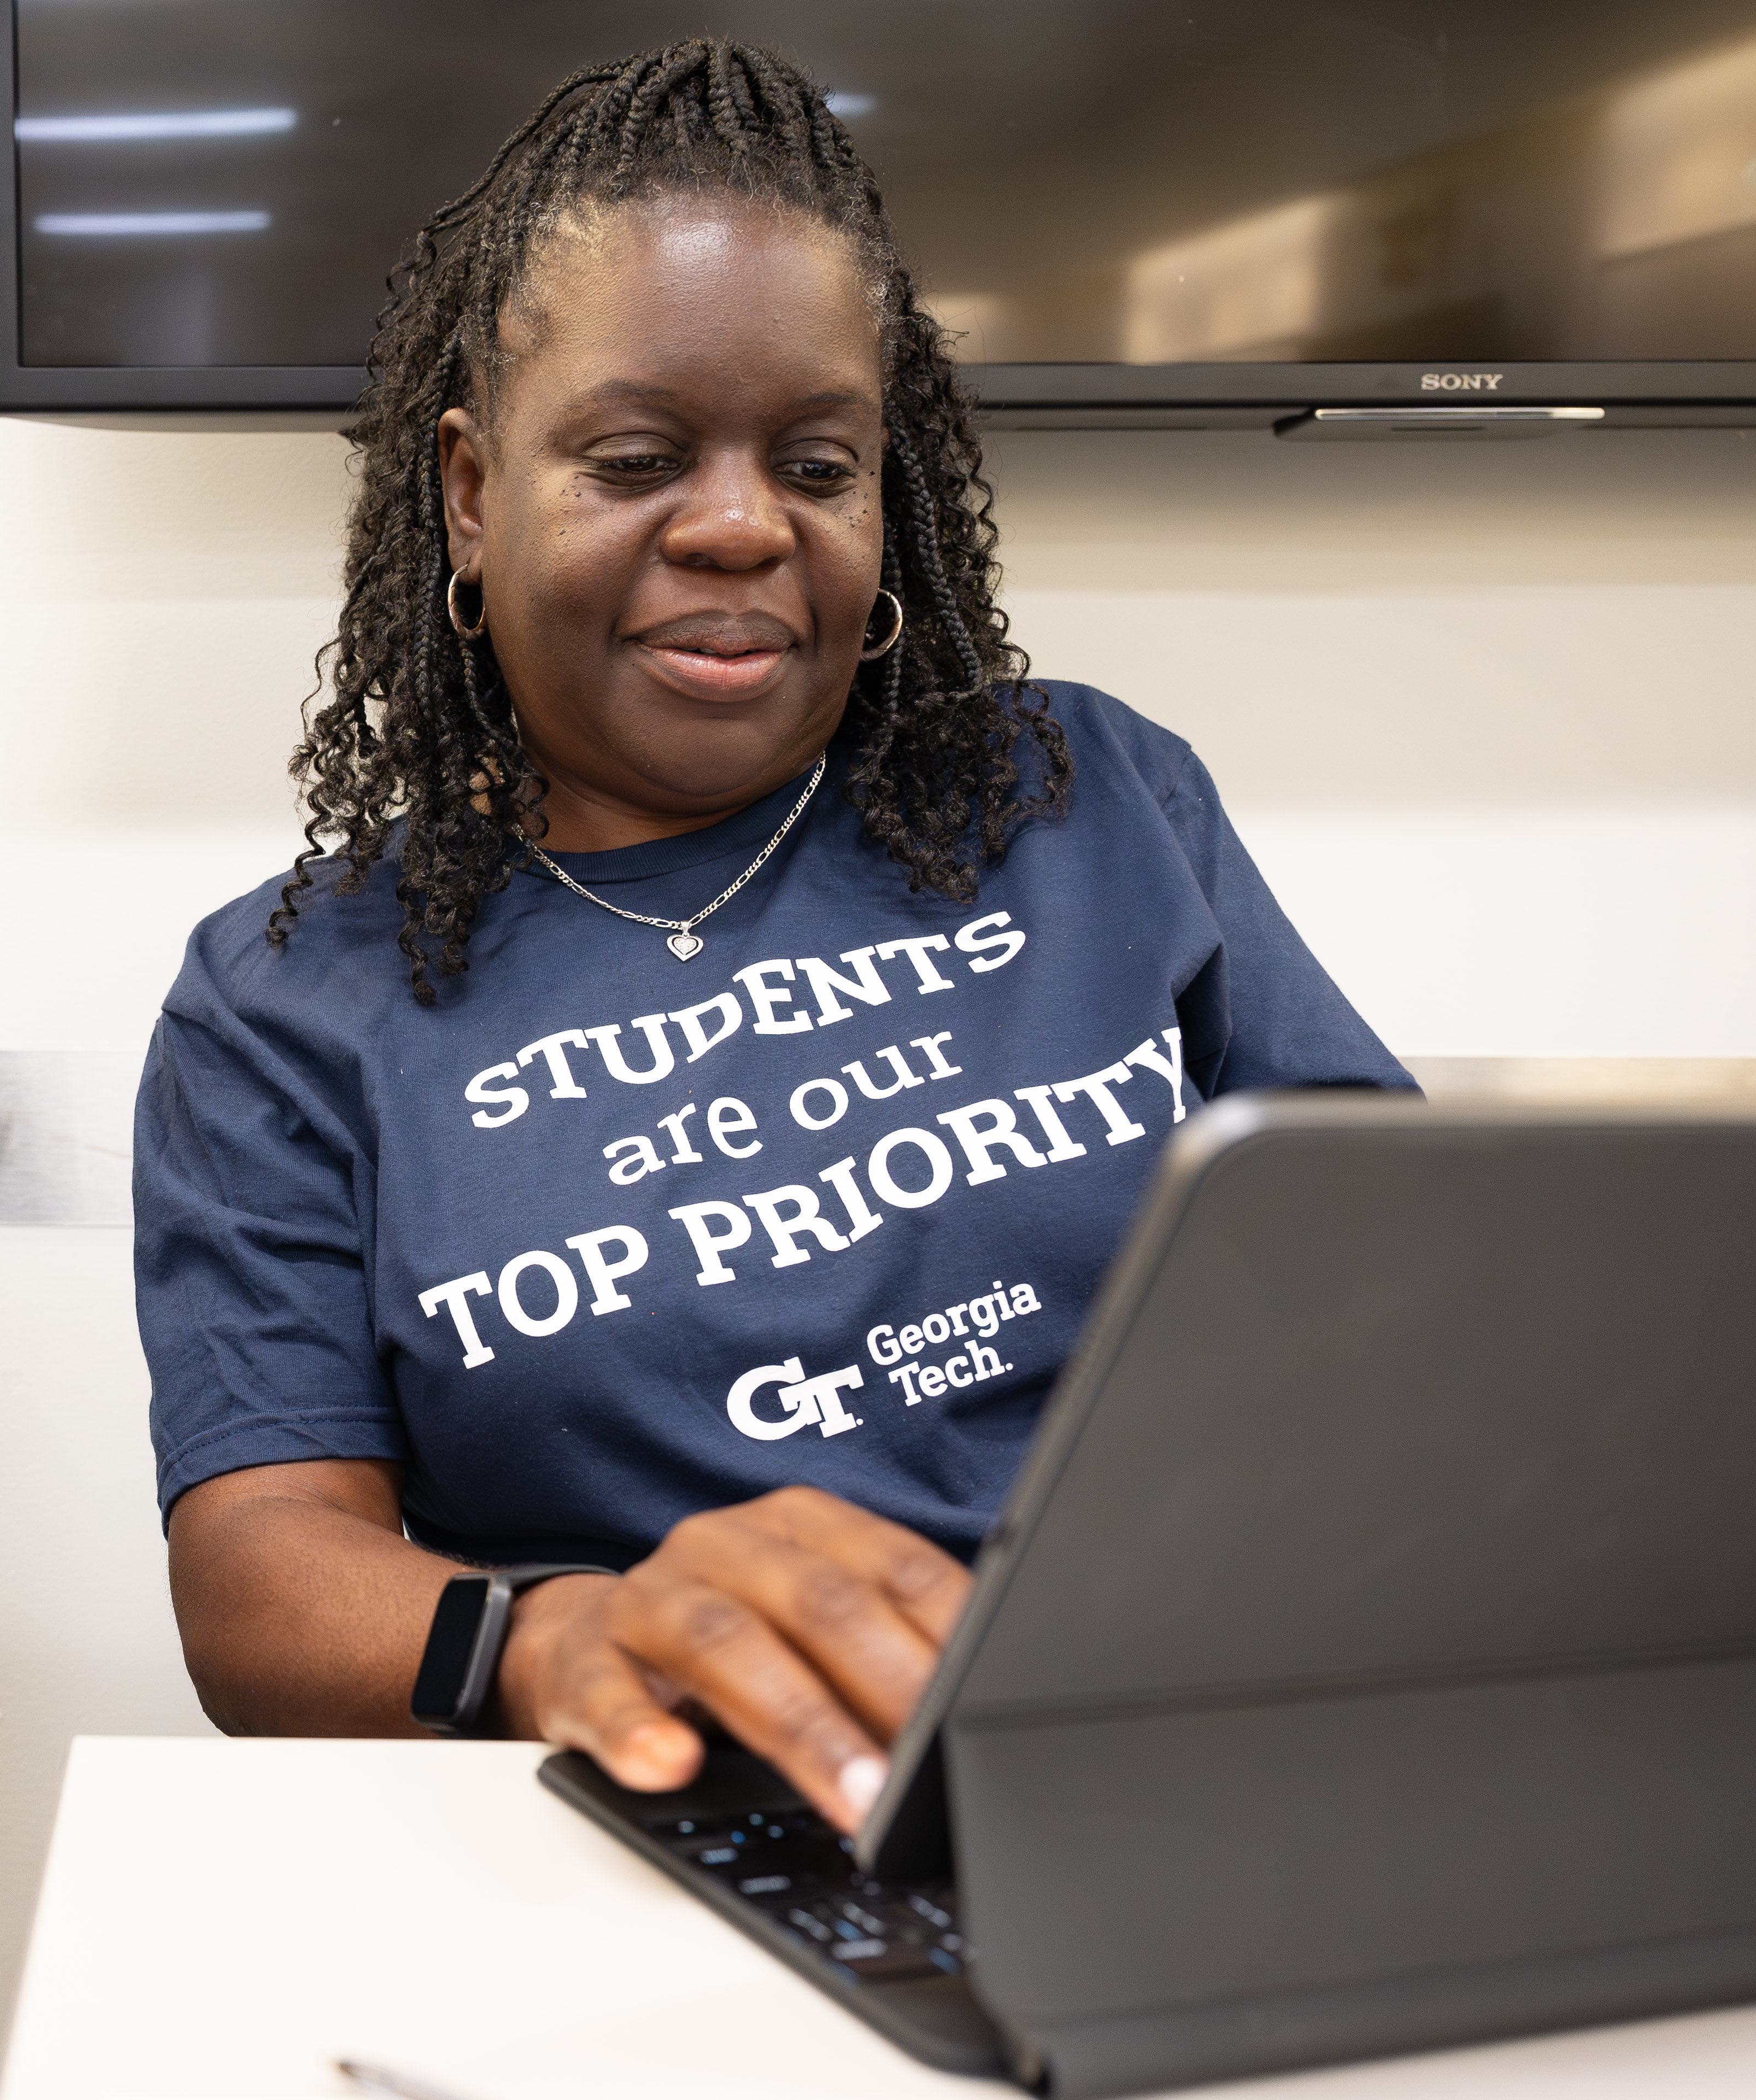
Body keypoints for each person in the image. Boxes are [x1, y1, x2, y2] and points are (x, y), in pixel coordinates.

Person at [136, 41, 1406, 1832]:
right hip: (661, 1804)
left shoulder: (1087, 800)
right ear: (470, 493)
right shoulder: (286, 997)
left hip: (1176, 1753)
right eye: (638, 455)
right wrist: (550, 1639)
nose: (740, 524)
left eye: (816, 461)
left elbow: (1398, 1291)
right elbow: (259, 1573)